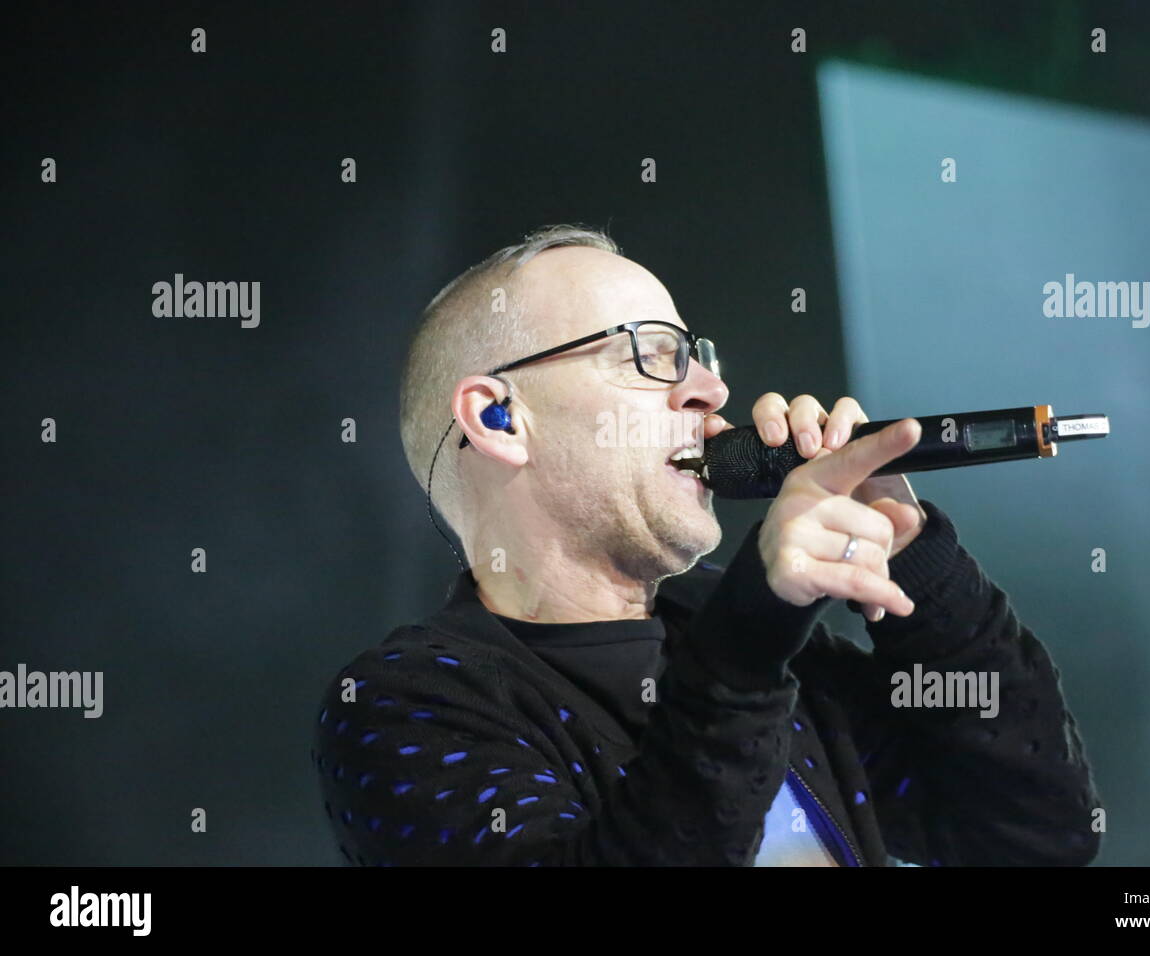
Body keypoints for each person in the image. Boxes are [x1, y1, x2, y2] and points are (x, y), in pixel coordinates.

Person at [311, 224, 1102, 866]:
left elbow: (1037, 834)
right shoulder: (409, 702)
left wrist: (918, 563)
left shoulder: (760, 648)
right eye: (651, 353)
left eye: (699, 355)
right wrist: (748, 637)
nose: (711, 391)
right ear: (498, 418)